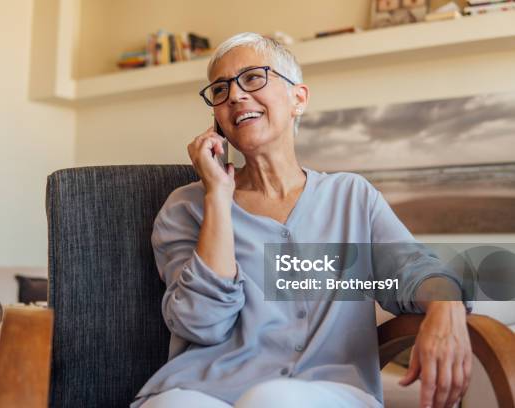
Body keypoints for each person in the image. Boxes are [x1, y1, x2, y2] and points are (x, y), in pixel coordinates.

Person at [131, 32, 472, 408]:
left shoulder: (351, 197)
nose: (237, 95)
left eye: (253, 77)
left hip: (329, 388)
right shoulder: (186, 207)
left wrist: (447, 305)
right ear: (217, 119)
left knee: (274, 399)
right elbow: (201, 323)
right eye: (221, 89)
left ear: (298, 99)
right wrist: (217, 198)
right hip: (200, 387)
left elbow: (415, 269)